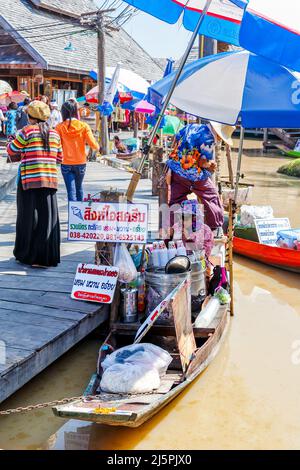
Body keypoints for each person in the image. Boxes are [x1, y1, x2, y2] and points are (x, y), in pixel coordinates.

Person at [7, 100, 62, 267]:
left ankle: (27, 254)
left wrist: (13, 142)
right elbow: (60, 158)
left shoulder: (26, 131)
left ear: (30, 117)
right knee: (47, 219)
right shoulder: (54, 134)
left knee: (28, 218)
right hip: (50, 180)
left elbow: (12, 150)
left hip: (29, 181)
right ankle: (45, 257)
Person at [166, 122, 235, 236]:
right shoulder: (209, 139)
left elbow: (176, 139)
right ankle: (215, 227)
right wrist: (211, 165)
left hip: (176, 169)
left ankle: (173, 231)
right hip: (193, 175)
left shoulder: (192, 126)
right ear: (218, 133)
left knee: (175, 201)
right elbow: (202, 162)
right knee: (212, 197)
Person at [56, 100, 99, 201]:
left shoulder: (59, 127)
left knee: (71, 191)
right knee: (79, 188)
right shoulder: (84, 126)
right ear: (76, 111)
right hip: (80, 162)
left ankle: (72, 215)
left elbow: (56, 144)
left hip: (65, 162)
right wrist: (98, 146)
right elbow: (94, 145)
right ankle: (80, 214)